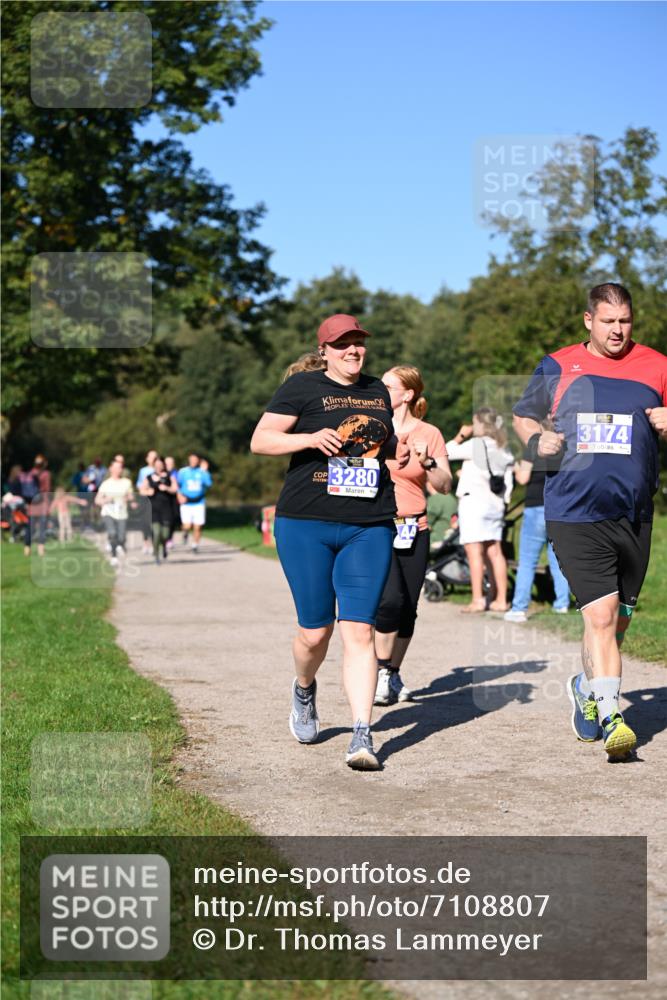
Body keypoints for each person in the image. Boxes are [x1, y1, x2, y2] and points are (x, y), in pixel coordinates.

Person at [513, 282, 667, 760]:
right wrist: (538, 438)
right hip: (573, 509)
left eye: (625, 322)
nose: (618, 331)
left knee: (616, 622)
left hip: (634, 511)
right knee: (600, 615)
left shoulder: (658, 365)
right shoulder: (557, 365)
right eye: (608, 322)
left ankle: (586, 686)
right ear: (588, 321)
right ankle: (613, 715)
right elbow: (523, 416)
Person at [250, 313, 409, 770]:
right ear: (324, 350)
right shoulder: (302, 389)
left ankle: (362, 734)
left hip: (369, 523)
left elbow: (382, 444)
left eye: (358, 342)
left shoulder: (378, 391)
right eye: (342, 345)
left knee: (359, 630)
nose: (353, 351)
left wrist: (409, 451)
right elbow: (261, 441)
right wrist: (308, 437)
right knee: (315, 631)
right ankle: (304, 688)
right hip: (307, 523)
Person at [373, 365, 453, 706]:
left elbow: (445, 485)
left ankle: (392, 673)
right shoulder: (370, 427)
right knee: (389, 601)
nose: (381, 390)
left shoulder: (429, 433)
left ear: (407, 394)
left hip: (415, 527)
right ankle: (378, 672)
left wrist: (429, 462)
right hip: (377, 526)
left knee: (408, 606)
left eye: (388, 386)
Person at [445, 408, 514, 613]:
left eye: (475, 423)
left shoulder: (475, 444)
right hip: (495, 505)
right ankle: (500, 599)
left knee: (474, 552)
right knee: (495, 552)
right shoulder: (504, 448)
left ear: (482, 425)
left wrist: (460, 435)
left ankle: (478, 599)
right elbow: (508, 483)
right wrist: (504, 503)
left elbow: (446, 452)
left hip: (473, 504)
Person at [504, 419, 571, 623]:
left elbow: (523, 478)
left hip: (535, 507)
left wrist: (516, 468)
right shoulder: (567, 448)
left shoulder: (534, 447)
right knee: (558, 560)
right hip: (559, 508)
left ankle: (519, 608)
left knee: (527, 560)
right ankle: (562, 604)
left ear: (540, 428)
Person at [95, 459, 133, 567]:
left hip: (122, 512)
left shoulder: (126, 482)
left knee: (121, 537)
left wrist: (128, 498)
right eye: (116, 467)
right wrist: (105, 500)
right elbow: (97, 500)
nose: (118, 470)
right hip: (108, 512)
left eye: (120, 467)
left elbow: (131, 496)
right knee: (112, 533)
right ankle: (114, 557)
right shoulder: (106, 484)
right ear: (111, 469)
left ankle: (121, 545)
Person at [140, 456, 178, 564]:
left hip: (167, 508)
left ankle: (164, 547)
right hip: (153, 509)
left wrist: (167, 488)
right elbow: (142, 490)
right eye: (156, 465)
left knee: (165, 534)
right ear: (154, 465)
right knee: (156, 533)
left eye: (160, 464)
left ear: (163, 465)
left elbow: (175, 489)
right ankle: (156, 555)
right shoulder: (149, 477)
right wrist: (148, 492)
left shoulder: (170, 476)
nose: (158, 466)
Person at [176, 454, 212, 553]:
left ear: (198, 461)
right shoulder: (183, 471)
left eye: (195, 460)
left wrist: (205, 471)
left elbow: (209, 484)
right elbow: (177, 485)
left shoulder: (202, 472)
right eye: (191, 460)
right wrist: (179, 496)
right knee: (187, 525)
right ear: (189, 460)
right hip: (186, 503)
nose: (193, 461)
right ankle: (185, 533)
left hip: (199, 502)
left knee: (198, 526)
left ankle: (195, 545)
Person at [25, 455, 52, 558]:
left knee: (30, 528)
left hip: (31, 504)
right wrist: (48, 505)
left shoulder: (30, 473)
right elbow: (47, 490)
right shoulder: (46, 474)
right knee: (42, 528)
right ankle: (41, 550)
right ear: (44, 463)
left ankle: (27, 549)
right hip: (42, 504)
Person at [136, 450, 157, 554]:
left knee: (154, 521)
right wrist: (146, 490)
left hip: (156, 499)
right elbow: (139, 485)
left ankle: (154, 543)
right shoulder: (143, 471)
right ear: (147, 459)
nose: (153, 459)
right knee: (145, 522)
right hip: (145, 498)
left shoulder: (159, 469)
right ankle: (145, 543)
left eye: (155, 457)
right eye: (151, 457)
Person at [426, 483, 458, 551]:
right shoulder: (451, 497)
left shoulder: (435, 499)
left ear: (429, 484)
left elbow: (425, 524)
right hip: (451, 539)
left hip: (436, 541)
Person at [164, 456, 180, 548]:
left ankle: (169, 538)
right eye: (167, 463)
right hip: (163, 501)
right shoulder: (160, 474)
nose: (169, 465)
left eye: (171, 463)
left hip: (174, 500)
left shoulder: (177, 474)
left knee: (172, 519)